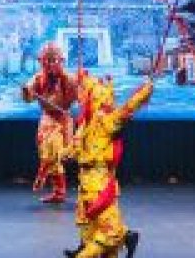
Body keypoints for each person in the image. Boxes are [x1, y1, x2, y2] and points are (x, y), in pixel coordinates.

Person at [64, 73, 153, 258]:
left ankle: (125, 237)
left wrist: (145, 90)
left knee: (108, 236)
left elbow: (128, 108)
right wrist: (65, 154)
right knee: (94, 235)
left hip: (100, 184)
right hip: (86, 183)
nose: (80, 98)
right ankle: (128, 237)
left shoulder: (106, 122)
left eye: (84, 94)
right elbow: (73, 150)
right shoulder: (84, 125)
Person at [22, 43, 78, 203]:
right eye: (47, 61)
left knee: (59, 154)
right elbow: (28, 98)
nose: (50, 64)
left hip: (64, 117)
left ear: (61, 61)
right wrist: (26, 92)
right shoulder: (38, 78)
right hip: (48, 118)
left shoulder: (69, 78)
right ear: (41, 61)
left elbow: (78, 96)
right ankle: (58, 191)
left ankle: (44, 174)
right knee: (49, 150)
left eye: (54, 60)